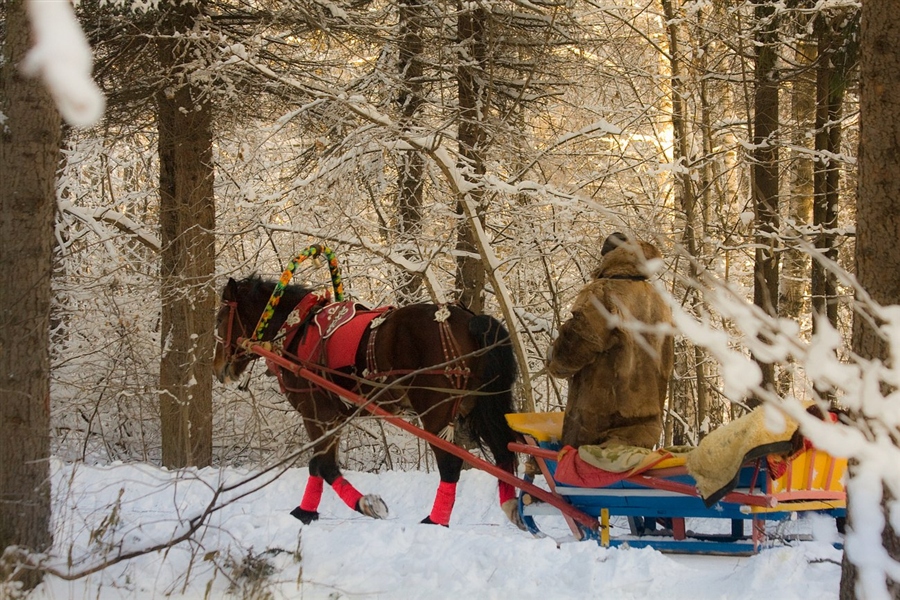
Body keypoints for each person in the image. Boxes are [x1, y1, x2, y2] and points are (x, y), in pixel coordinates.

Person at [547, 232, 675, 450]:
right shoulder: (659, 299)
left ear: (609, 258)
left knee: (585, 471)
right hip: (644, 430)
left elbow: (571, 352)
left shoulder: (603, 293)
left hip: (599, 429)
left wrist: (553, 358)